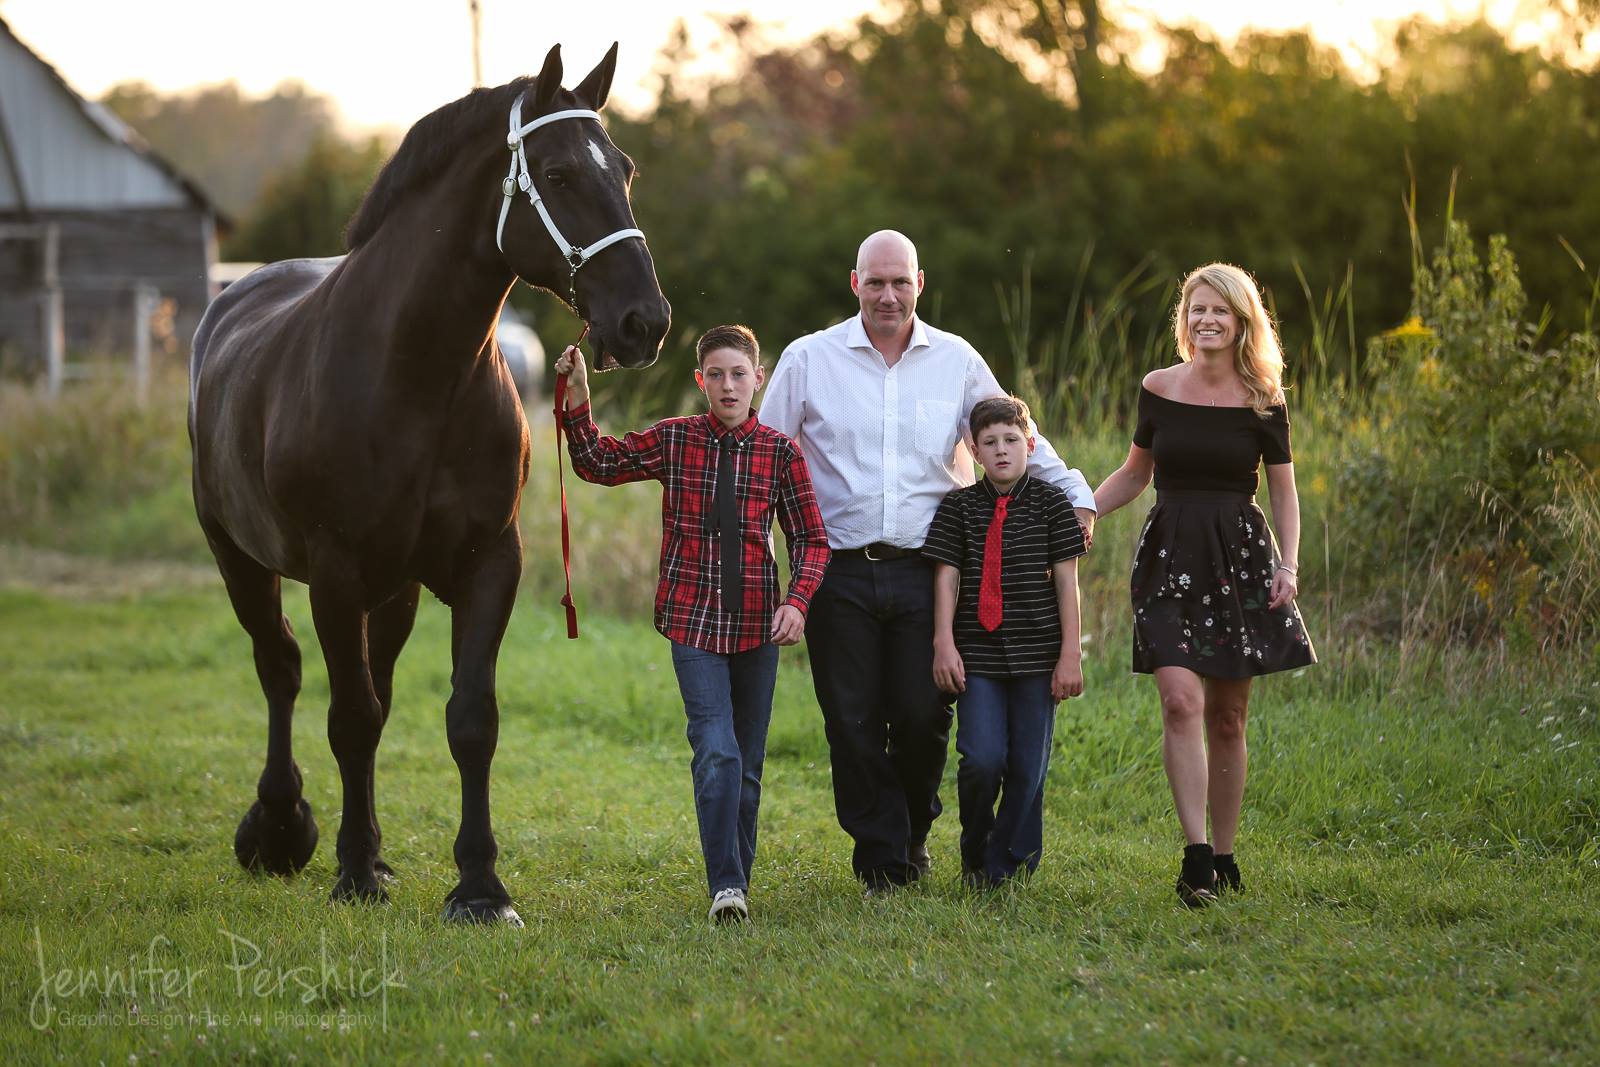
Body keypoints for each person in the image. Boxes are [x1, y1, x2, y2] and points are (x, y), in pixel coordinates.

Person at [761, 229, 1097, 891]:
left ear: (921, 283)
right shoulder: (808, 358)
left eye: (901, 282)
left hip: (932, 571)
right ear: (854, 283)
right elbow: (764, 459)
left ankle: (913, 829)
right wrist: (763, 566)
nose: (889, 295)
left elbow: (1017, 434)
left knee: (921, 714)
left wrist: (1075, 494)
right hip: (836, 570)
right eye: (876, 282)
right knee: (852, 722)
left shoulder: (957, 360)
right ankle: (882, 856)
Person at [554, 324, 831, 924]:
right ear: (699, 380)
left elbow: (812, 540)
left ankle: (737, 880)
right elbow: (598, 462)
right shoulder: (675, 441)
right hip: (693, 622)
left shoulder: (780, 453)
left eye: (739, 374)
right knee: (717, 752)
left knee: (749, 768)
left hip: (760, 625)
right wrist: (578, 394)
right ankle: (725, 886)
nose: (728, 385)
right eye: (716, 374)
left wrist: (799, 601)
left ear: (759, 379)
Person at [1092, 263, 1316, 908]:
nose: (1206, 320)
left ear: (1243, 321)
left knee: (1228, 714)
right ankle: (1194, 856)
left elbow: (1283, 491)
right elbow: (1135, 474)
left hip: (1240, 559)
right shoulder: (1159, 388)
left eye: (1220, 311)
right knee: (1180, 702)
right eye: (1196, 310)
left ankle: (1224, 851)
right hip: (1168, 556)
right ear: (1184, 321)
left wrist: (1289, 566)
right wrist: (1084, 510)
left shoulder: (1264, 398)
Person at [922, 396, 1087, 888]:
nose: (1000, 451)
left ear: (1029, 445)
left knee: (1026, 765)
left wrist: (1070, 654)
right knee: (982, 758)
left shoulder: (1053, 505)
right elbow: (946, 578)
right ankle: (976, 848)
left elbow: (1066, 583)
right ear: (973, 450)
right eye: (989, 443)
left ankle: (1006, 865)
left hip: (1039, 656)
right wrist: (943, 643)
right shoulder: (958, 508)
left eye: (1010, 441)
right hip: (978, 657)